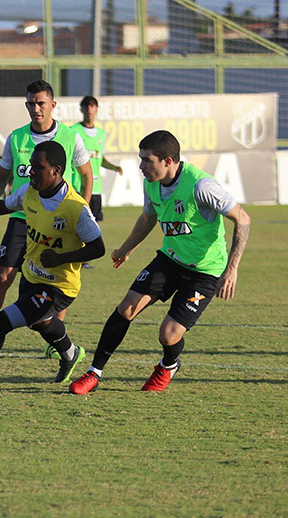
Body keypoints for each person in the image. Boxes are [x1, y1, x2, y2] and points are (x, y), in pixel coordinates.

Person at [69, 130, 251, 394]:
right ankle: (94, 373)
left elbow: (243, 218)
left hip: (205, 272)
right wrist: (126, 248)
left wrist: (232, 269)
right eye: (140, 159)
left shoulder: (202, 186)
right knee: (126, 308)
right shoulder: (151, 183)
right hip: (169, 260)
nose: (141, 166)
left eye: (146, 160)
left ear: (167, 161)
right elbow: (148, 217)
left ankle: (168, 365)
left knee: (168, 335)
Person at [0, 141, 105, 387]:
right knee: (39, 323)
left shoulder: (75, 208)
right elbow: (2, 206)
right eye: (31, 165)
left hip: (60, 287)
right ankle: (70, 353)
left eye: (38, 166)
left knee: (3, 321)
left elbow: (99, 248)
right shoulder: (29, 192)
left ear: (56, 171)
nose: (30, 171)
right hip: (32, 277)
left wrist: (60, 258)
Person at [0, 80, 92, 351]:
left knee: (56, 280)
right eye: (30, 103)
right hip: (22, 217)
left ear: (52, 105)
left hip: (59, 221)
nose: (35, 109)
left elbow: (86, 175)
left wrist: (82, 210)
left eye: (40, 103)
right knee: (4, 275)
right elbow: (3, 174)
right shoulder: (16, 138)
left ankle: (55, 341)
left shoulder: (71, 137)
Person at [71, 95, 123, 226]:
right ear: (81, 109)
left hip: (96, 187)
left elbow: (100, 159)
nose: (89, 109)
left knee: (94, 225)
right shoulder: (73, 131)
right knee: (76, 223)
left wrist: (114, 167)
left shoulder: (101, 134)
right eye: (86, 106)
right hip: (78, 186)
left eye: (92, 106)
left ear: (96, 109)